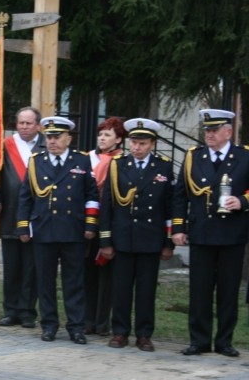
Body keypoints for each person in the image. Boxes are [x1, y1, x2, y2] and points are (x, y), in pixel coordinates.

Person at [172, 109, 249, 358]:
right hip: (202, 232)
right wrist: (178, 228)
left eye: (215, 130)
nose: (209, 135)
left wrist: (243, 201)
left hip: (232, 233)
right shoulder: (195, 156)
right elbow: (181, 194)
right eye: (207, 130)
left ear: (228, 132)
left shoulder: (243, 156)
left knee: (228, 290)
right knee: (200, 290)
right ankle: (199, 340)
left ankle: (224, 341)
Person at [16, 116, 99, 344]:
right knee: (45, 281)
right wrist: (23, 226)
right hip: (44, 230)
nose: (52, 141)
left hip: (73, 231)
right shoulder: (36, 161)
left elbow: (92, 196)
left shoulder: (81, 161)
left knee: (74, 282)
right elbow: (26, 197)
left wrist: (91, 225)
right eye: (49, 137)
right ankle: (49, 325)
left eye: (57, 137)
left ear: (68, 138)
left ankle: (76, 327)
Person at [100, 118, 174, 352]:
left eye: (142, 143)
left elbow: (169, 206)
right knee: (120, 289)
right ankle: (120, 332)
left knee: (146, 289)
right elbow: (107, 204)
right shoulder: (118, 164)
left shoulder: (163, 166)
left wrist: (168, 241)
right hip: (123, 237)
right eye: (134, 142)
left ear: (152, 144)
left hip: (150, 238)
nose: (136, 148)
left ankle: (144, 334)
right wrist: (106, 240)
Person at [0, 107, 45, 328]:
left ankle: (27, 311)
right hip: (10, 214)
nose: (23, 127)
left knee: (32, 267)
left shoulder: (46, 146)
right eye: (21, 123)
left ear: (38, 125)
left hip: (38, 216)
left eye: (28, 123)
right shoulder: (5, 146)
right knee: (12, 267)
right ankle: (11, 310)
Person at [83, 117, 126, 336]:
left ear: (119, 139)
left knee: (107, 276)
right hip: (88, 221)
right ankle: (88, 320)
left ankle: (102, 322)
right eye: (100, 134)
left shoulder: (122, 161)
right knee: (87, 273)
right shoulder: (87, 158)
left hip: (109, 224)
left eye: (107, 135)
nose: (102, 138)